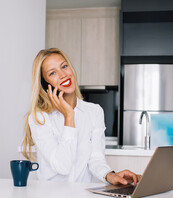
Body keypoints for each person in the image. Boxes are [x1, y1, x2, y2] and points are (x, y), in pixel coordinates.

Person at [22, 48, 141, 185]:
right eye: (53, 73)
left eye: (64, 66)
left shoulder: (94, 112)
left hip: (82, 197)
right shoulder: (39, 118)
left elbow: (96, 159)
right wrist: (69, 117)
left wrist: (110, 175)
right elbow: (63, 166)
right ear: (46, 84)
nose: (63, 75)